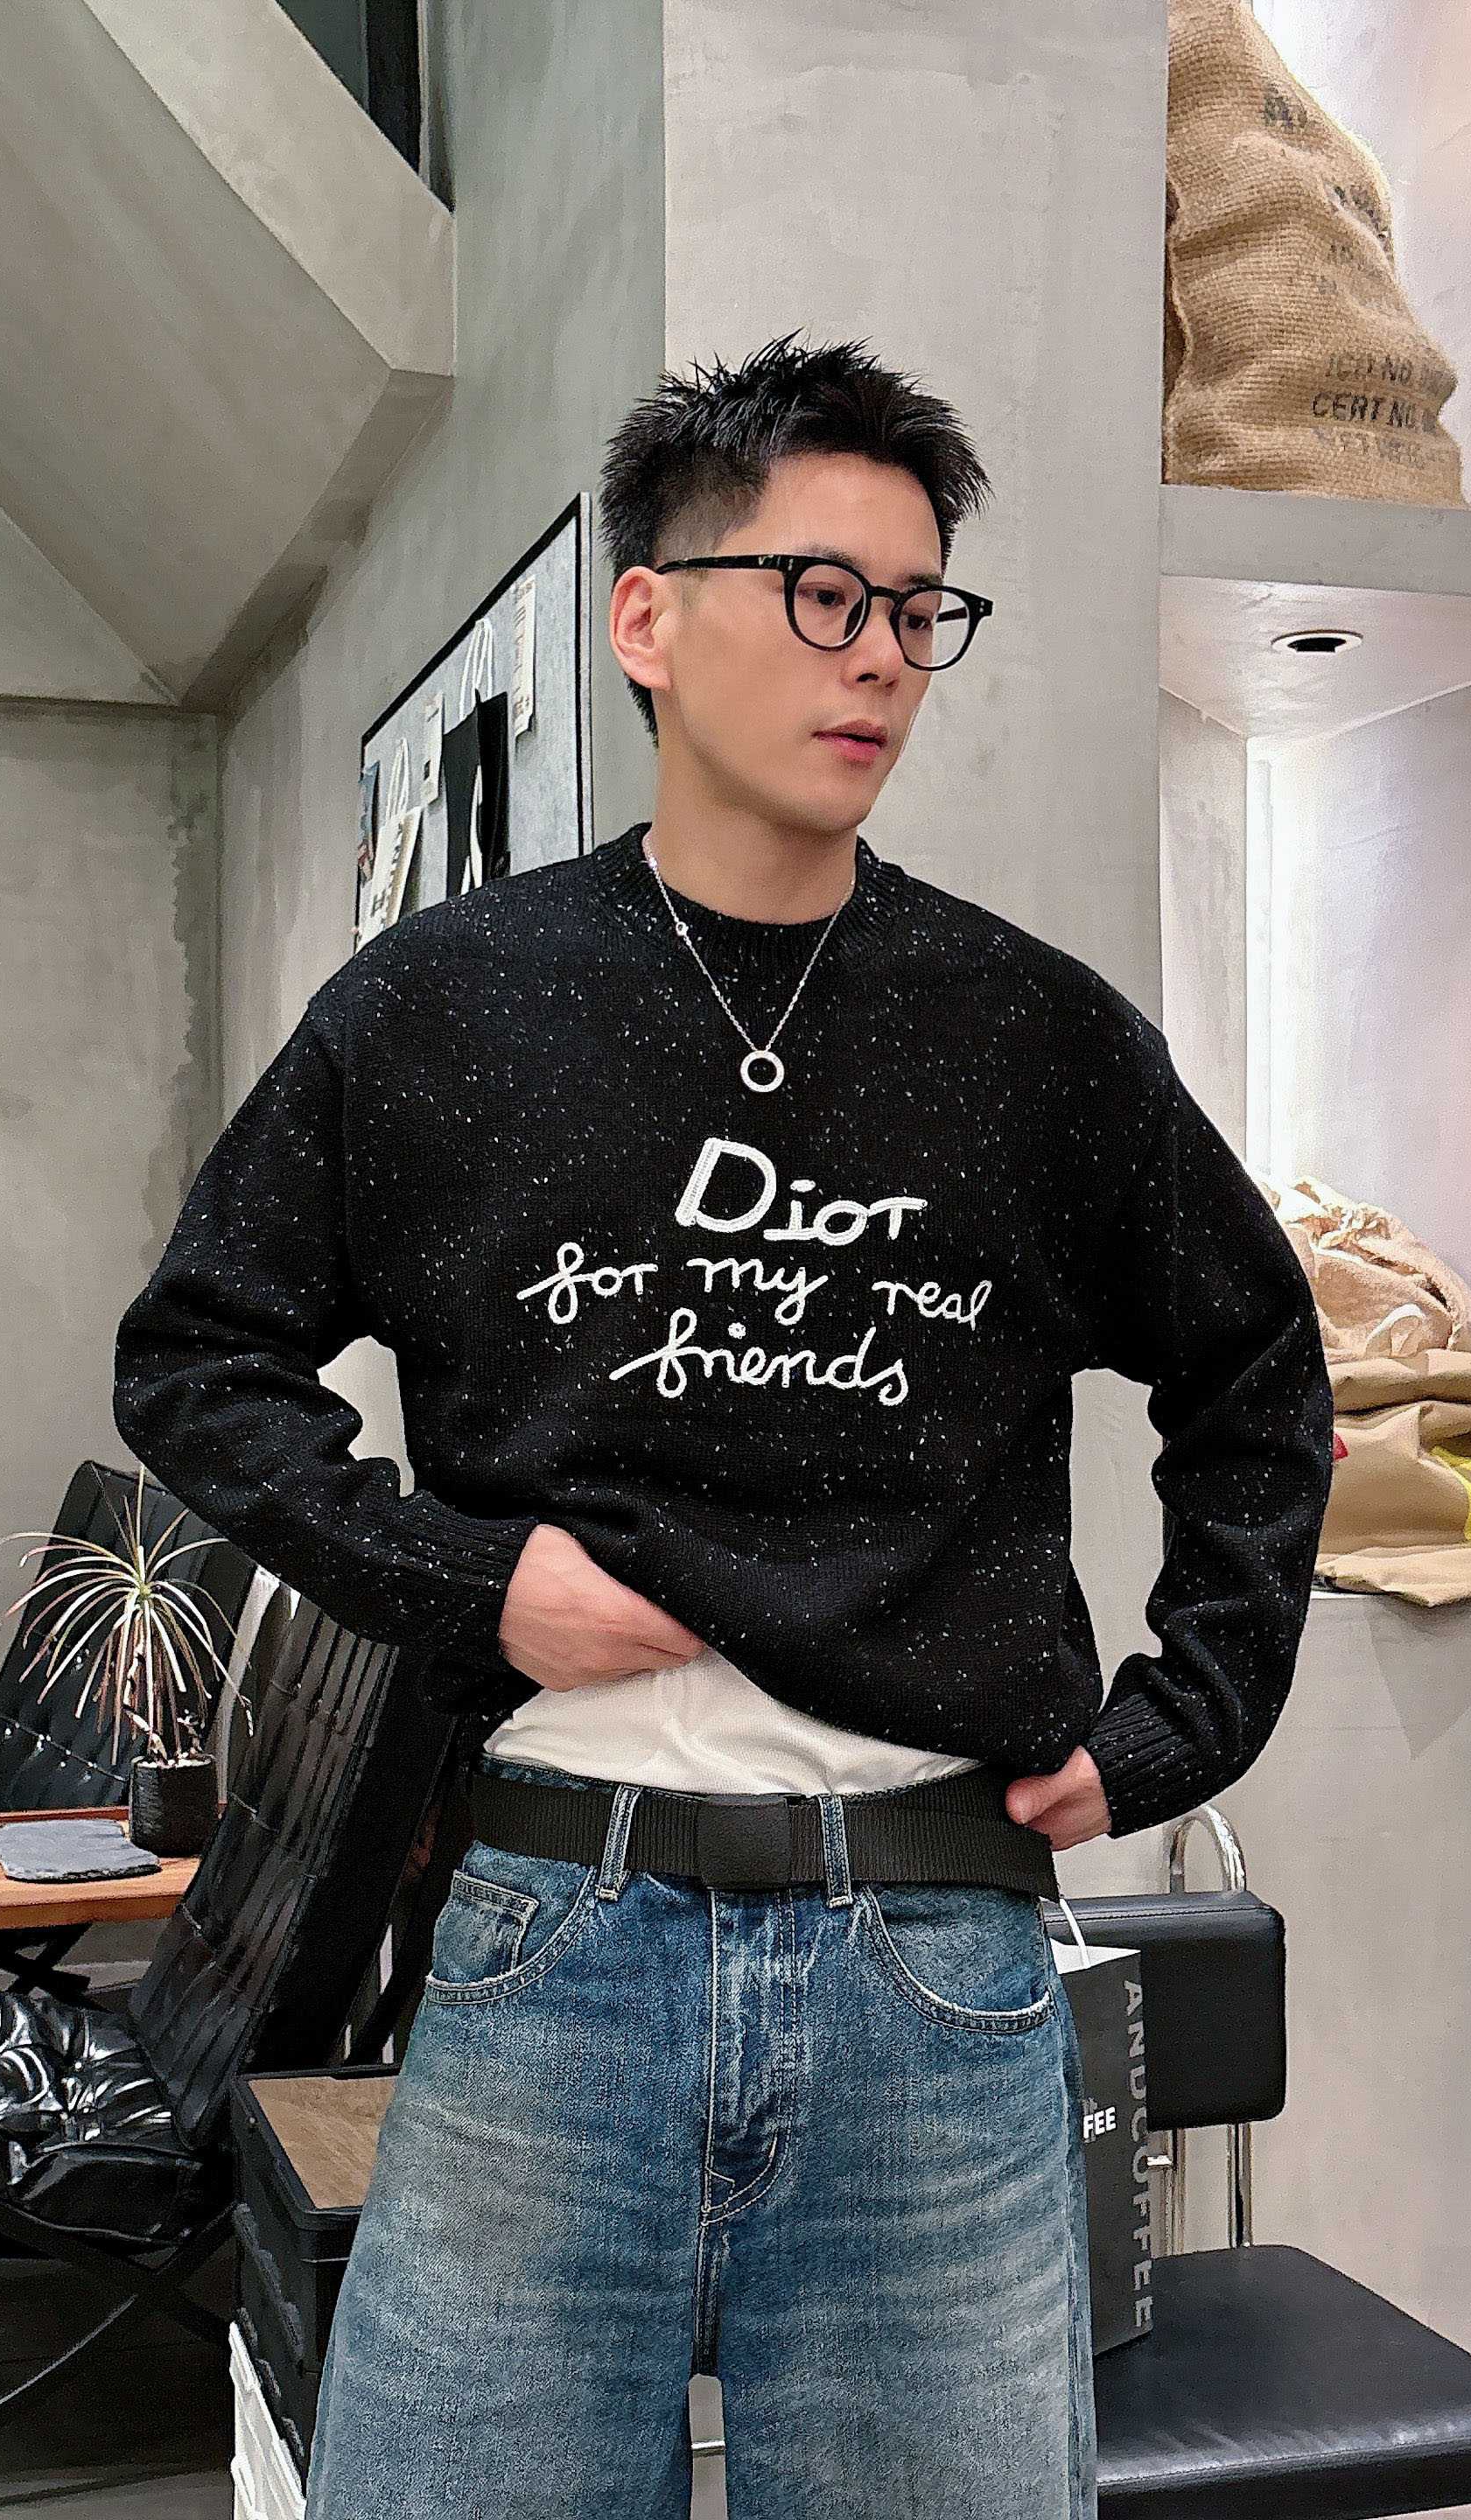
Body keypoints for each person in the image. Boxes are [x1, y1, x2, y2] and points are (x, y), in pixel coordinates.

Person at [113, 330, 1334, 2518]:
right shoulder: (445, 1007)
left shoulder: (1036, 1040)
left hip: (936, 1968)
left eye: (920, 611)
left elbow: (1257, 1371)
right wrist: (470, 1578)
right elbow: (200, 1355)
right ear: (648, 619)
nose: (879, 658)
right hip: (549, 1939)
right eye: (822, 593)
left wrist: (1182, 1721)